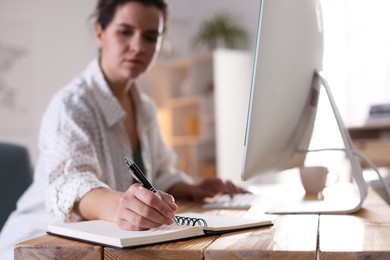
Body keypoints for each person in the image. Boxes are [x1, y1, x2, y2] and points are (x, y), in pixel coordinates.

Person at [0, 0, 243, 258]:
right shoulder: (71, 106)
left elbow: (159, 173)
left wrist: (190, 188)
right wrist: (120, 206)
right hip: (37, 245)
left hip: (105, 243)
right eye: (125, 31)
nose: (138, 46)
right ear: (100, 33)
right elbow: (72, 184)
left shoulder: (146, 108)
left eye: (150, 37)